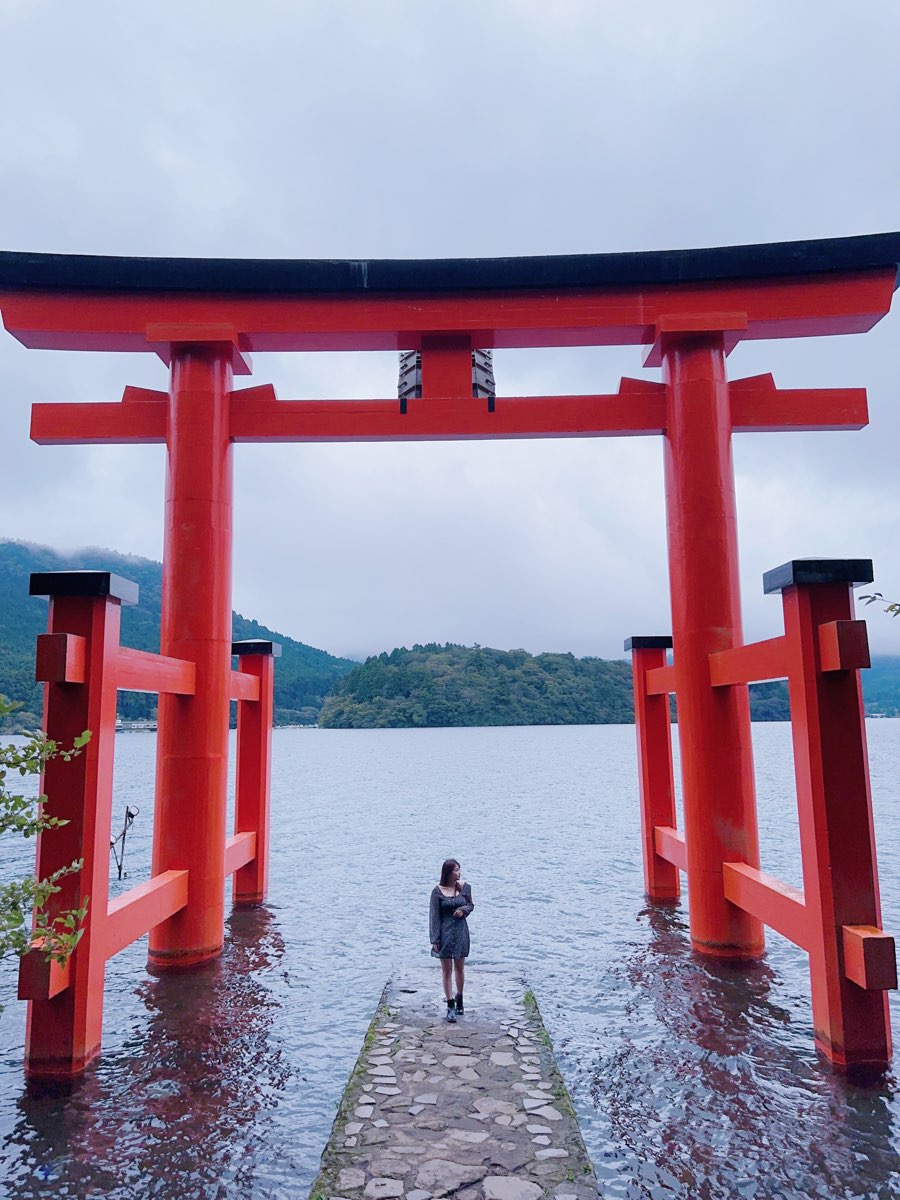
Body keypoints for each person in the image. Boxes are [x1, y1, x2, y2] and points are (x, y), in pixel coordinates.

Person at [429, 857, 474, 1022]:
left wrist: (463, 909)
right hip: (444, 933)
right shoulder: (437, 891)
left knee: (460, 968)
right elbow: (434, 916)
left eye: (459, 869)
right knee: (446, 969)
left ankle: (460, 997)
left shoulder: (464, 887)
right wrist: (435, 939)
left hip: (461, 932)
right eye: (456, 870)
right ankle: (450, 1004)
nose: (459, 873)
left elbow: (471, 905)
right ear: (447, 872)